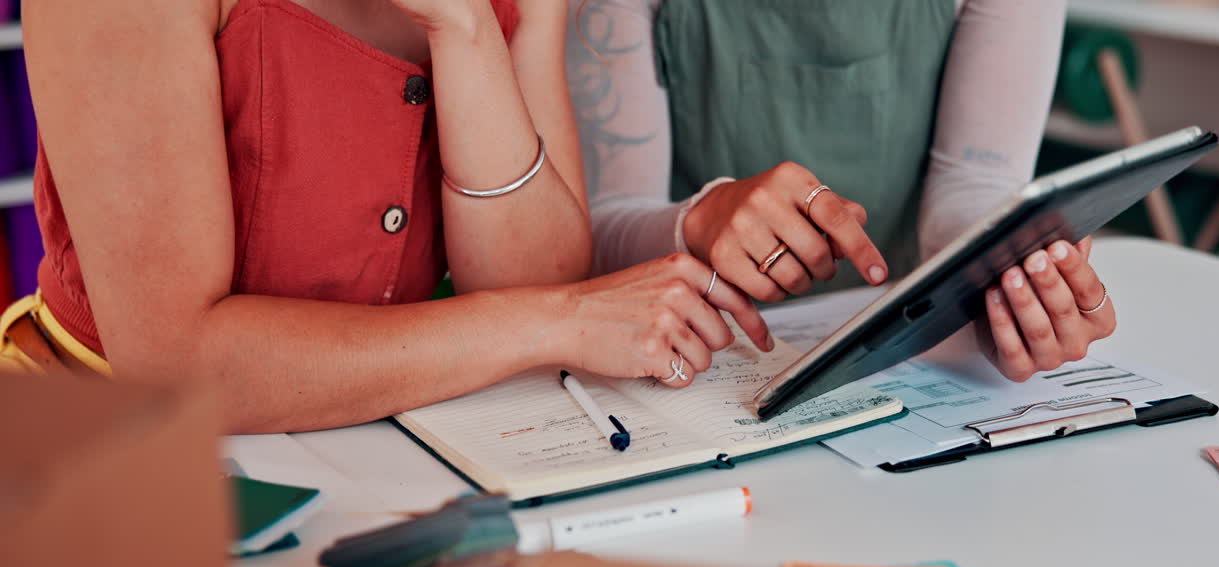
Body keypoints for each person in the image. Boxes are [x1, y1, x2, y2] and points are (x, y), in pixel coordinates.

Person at [0, 0, 771, 433]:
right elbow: (178, 363)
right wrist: (555, 321)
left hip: (404, 440)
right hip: (114, 451)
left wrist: (463, 27)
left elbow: (532, 275)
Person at [569, 0, 1118, 382]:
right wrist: (698, 219)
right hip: (695, 353)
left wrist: (1001, 281)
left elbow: (973, 182)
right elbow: (598, 226)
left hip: (902, 358)